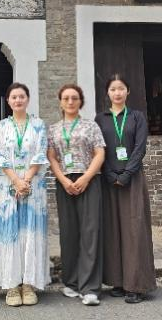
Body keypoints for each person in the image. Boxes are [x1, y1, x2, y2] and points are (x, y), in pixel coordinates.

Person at [0, 82, 50, 306]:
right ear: (8, 100)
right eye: (14, 97)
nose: (18, 100)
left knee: (31, 232)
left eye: (22, 96)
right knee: (10, 233)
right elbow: (0, 156)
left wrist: (26, 180)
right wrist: (16, 180)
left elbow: (41, 153)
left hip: (33, 187)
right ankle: (12, 285)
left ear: (28, 99)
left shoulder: (38, 124)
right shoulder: (1, 126)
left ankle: (29, 284)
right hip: (8, 186)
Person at [95, 74, 156, 304]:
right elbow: (98, 148)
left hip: (133, 179)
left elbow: (140, 147)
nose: (117, 93)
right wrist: (110, 173)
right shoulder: (101, 119)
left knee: (134, 230)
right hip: (109, 180)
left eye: (121, 88)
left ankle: (136, 285)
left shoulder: (137, 117)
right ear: (107, 93)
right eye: (113, 89)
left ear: (128, 91)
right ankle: (118, 281)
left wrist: (127, 174)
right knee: (113, 230)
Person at [47, 84, 106, 306]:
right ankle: (71, 282)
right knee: (68, 233)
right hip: (64, 182)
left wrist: (86, 177)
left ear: (81, 101)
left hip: (89, 180)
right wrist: (63, 180)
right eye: (66, 98)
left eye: (74, 98)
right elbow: (51, 156)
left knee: (90, 232)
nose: (70, 102)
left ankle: (90, 288)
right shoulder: (53, 129)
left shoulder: (91, 126)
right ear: (60, 102)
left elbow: (100, 153)